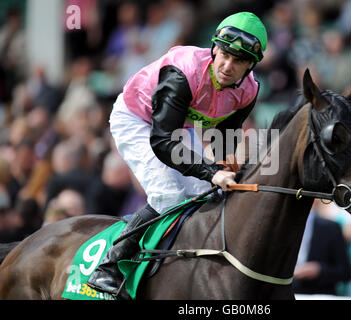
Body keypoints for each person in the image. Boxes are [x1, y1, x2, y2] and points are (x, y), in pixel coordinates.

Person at [87, 12, 268, 299]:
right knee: (168, 196)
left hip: (180, 126)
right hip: (138, 119)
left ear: (251, 66)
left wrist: (222, 167)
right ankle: (108, 267)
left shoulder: (250, 90)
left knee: (206, 195)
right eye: (224, 55)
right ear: (214, 49)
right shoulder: (183, 69)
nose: (227, 66)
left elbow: (225, 136)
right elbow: (162, 141)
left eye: (239, 61)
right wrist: (211, 172)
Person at [293, 203, 351, 295]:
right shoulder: (278, 227)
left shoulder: (330, 228)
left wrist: (320, 269)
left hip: (320, 293)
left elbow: (346, 272)